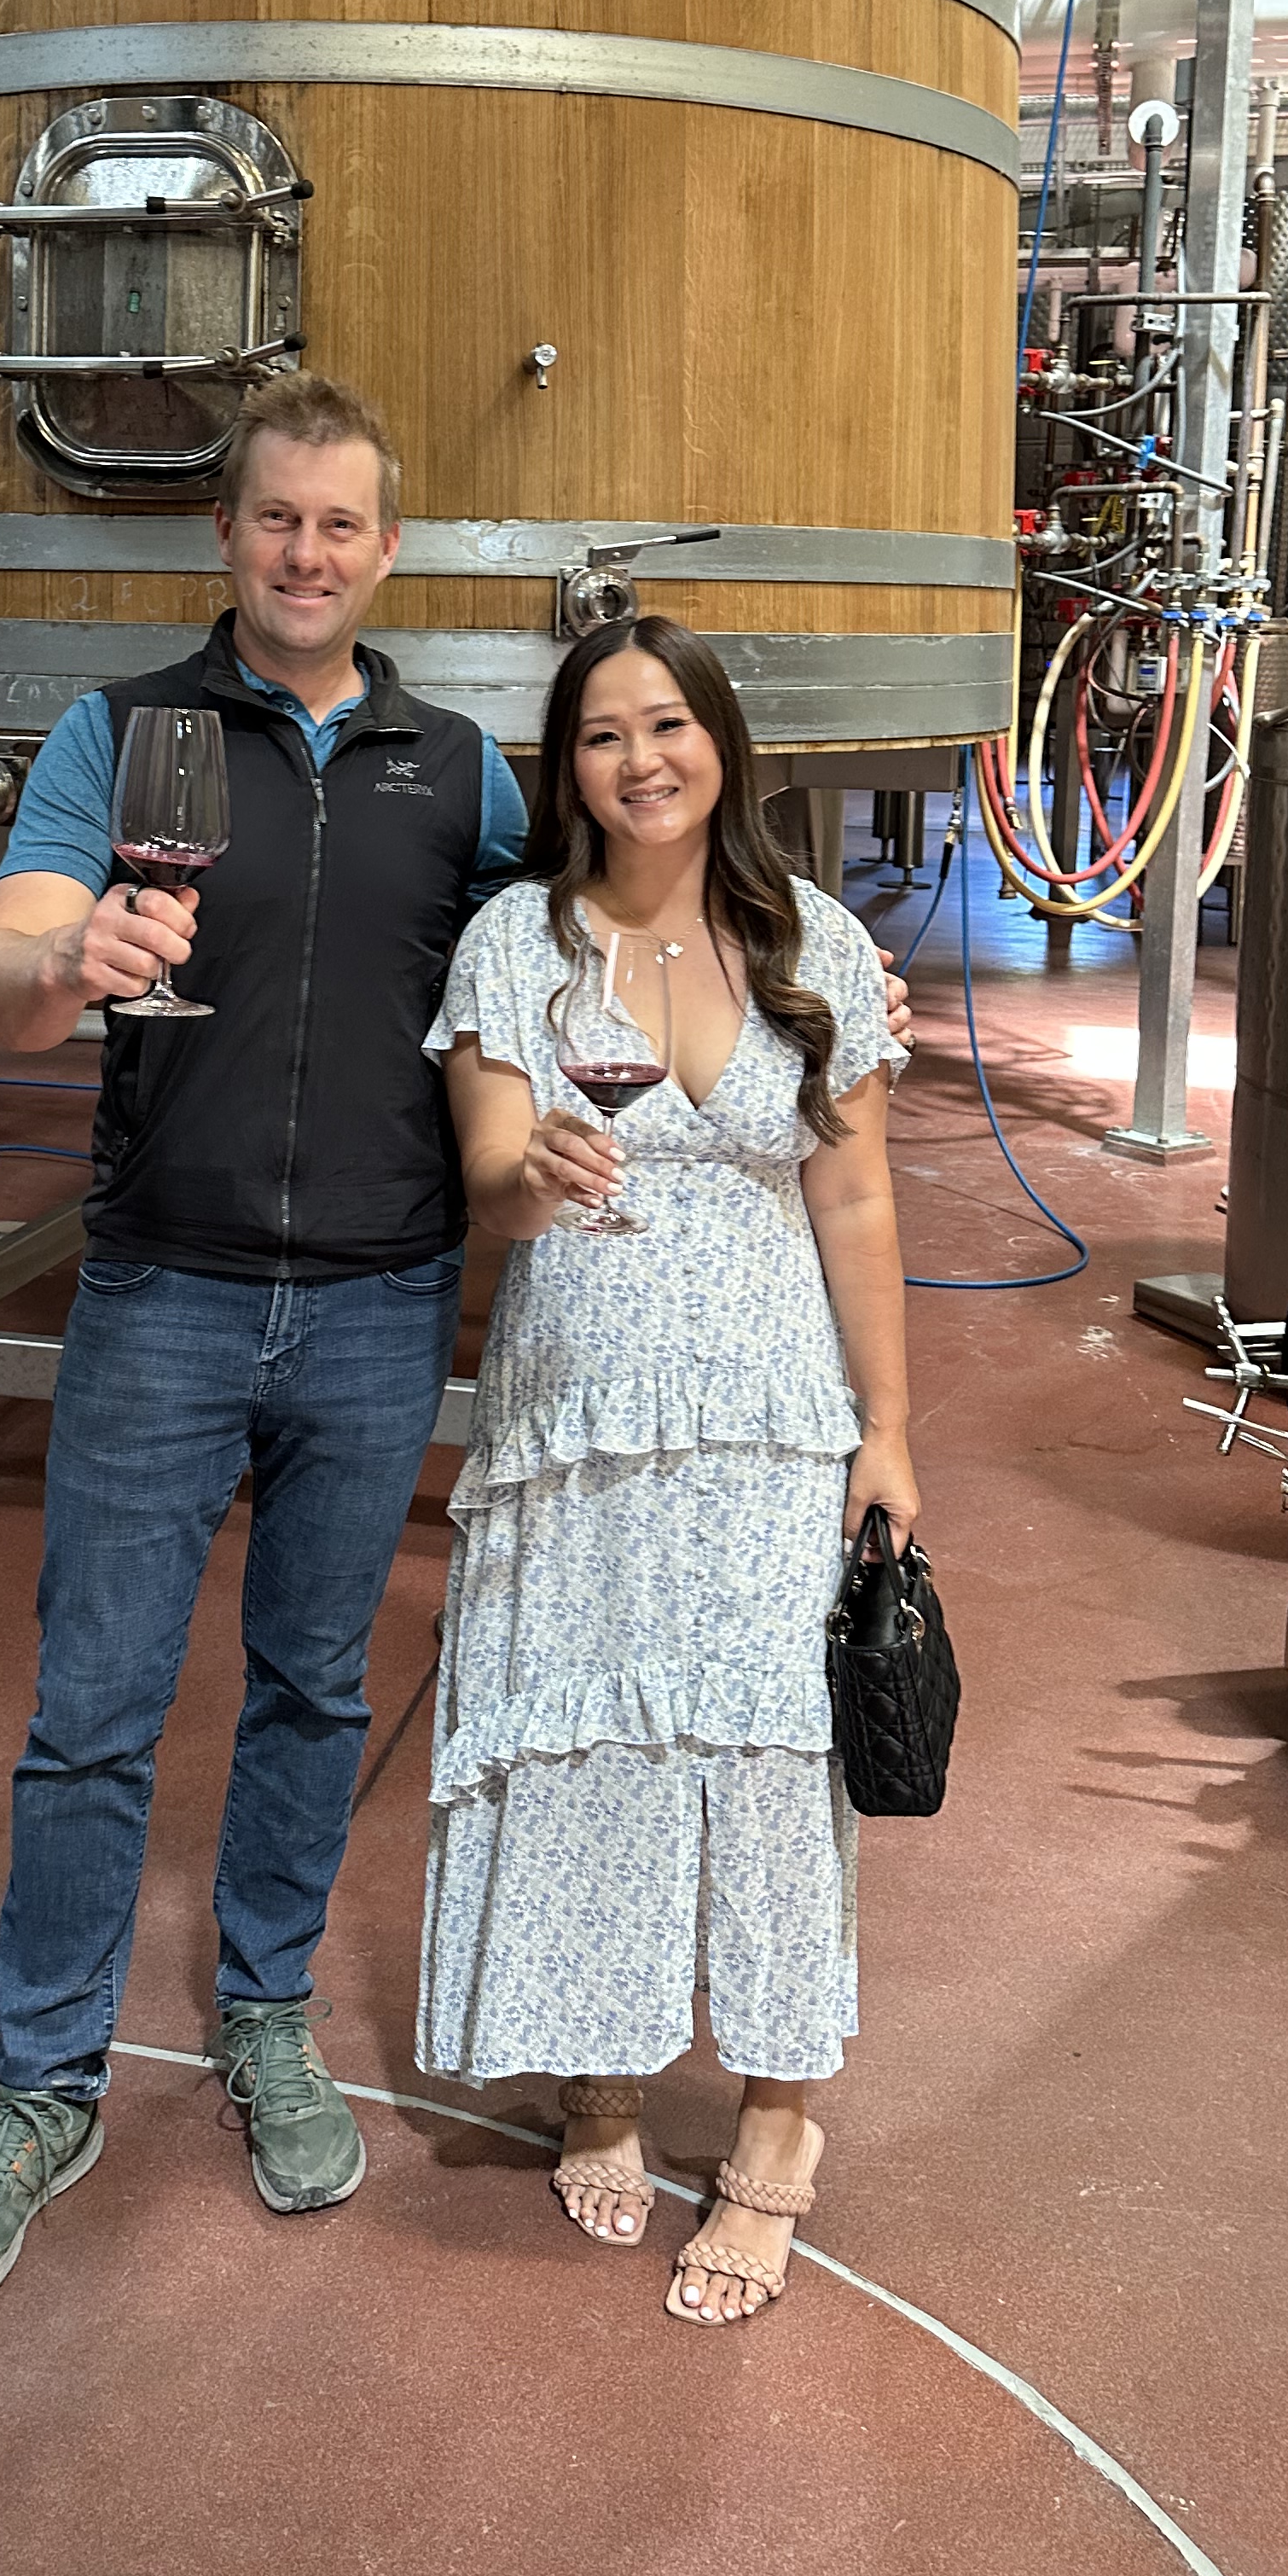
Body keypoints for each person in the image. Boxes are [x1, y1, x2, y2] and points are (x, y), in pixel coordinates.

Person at [0, 374, 914, 2314]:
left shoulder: (455, 773)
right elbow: (2, 973)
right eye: (276, 519)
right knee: (94, 1705)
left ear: (387, 550)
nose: (307, 553)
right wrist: (65, 959)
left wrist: (789, 998)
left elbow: (595, 913)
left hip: (375, 1306)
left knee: (311, 1694)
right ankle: (43, 2084)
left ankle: (266, 2015)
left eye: (341, 524)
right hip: (166, 1288)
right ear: (225, 536)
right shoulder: (128, 734)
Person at [419, 612, 915, 2329]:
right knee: (596, 1741)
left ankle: (778, 2121)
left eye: (668, 726)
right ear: (568, 771)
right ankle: (605, 2074)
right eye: (604, 735)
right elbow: (492, 1179)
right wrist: (534, 1173)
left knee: (775, 1756)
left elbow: (856, 1198)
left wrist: (889, 1430)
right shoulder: (518, 942)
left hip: (770, 1414)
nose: (642, 761)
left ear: (720, 744)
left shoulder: (816, 942)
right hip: (578, 1411)